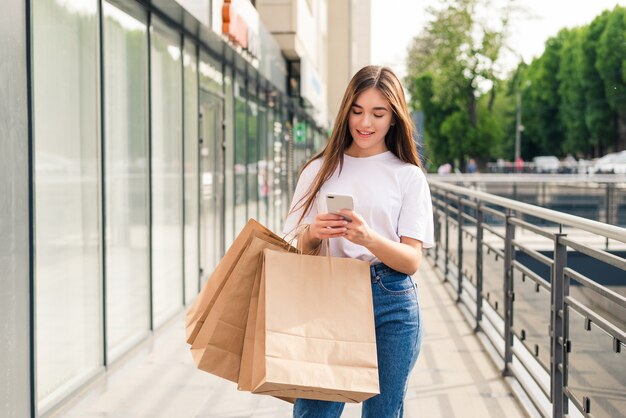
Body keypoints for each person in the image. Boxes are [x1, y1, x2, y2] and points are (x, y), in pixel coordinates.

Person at [283, 65, 435, 418]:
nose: (365, 122)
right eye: (357, 110)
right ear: (346, 111)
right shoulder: (318, 170)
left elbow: (412, 261)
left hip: (391, 302)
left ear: (394, 118)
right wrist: (313, 233)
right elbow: (292, 246)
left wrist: (368, 238)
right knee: (314, 412)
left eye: (378, 113)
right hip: (328, 297)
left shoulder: (408, 177)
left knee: (383, 413)